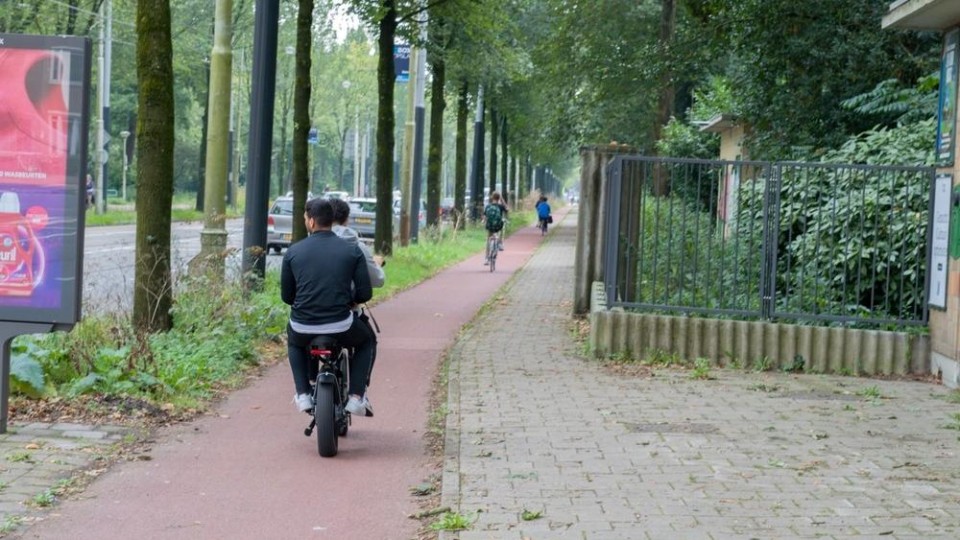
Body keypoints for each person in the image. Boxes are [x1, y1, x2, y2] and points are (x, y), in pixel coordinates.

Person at [281, 198, 376, 416]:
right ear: (331, 221)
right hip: (341, 324)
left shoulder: (293, 252)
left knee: (294, 342)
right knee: (366, 340)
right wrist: (350, 301)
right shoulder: (352, 251)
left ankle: (303, 393)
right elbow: (365, 293)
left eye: (305, 218)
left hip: (303, 326)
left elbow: (287, 296)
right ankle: (356, 397)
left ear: (311, 221)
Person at [331, 198, 385, 415]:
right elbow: (377, 281)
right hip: (346, 314)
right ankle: (357, 393)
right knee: (368, 341)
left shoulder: (309, 245)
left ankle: (307, 388)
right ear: (346, 219)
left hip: (309, 316)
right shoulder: (357, 246)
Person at [483, 191, 506, 265]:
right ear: (499, 198)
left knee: (488, 239)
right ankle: (500, 243)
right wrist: (502, 200)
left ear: (492, 197)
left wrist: (484, 221)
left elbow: (484, 216)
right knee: (502, 226)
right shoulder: (500, 206)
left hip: (489, 225)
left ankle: (486, 258)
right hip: (498, 226)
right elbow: (507, 209)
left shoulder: (488, 206)